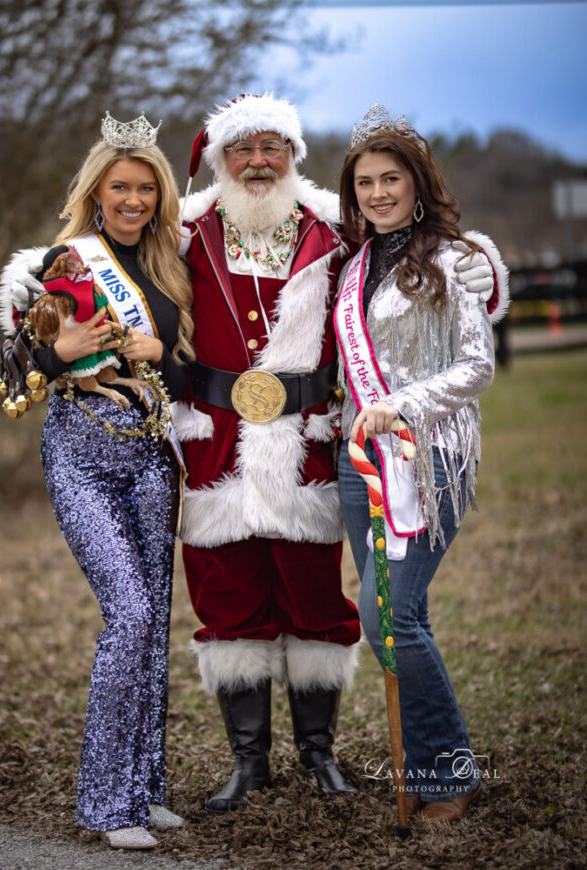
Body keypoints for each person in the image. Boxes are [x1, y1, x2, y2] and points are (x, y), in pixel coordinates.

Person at [172, 93, 505, 815]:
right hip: (219, 447)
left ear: (295, 157)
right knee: (229, 597)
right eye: (242, 149)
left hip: (317, 448)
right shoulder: (183, 231)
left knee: (325, 601)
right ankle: (248, 763)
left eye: (273, 148)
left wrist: (487, 272)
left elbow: (440, 279)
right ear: (218, 159)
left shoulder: (331, 230)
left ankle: (322, 757)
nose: (258, 162)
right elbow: (106, 261)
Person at [0, 111, 194, 849]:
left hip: (149, 455)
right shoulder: (57, 265)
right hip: (81, 454)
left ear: (159, 195)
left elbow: (184, 374)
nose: (133, 200)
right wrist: (59, 352)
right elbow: (11, 375)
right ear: (98, 191)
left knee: (154, 628)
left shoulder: (171, 266)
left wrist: (157, 350)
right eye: (121, 187)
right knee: (130, 615)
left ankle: (145, 787)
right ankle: (107, 805)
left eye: (146, 188)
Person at [334, 104, 507, 823]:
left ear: (417, 183)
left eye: (391, 179)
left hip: (429, 459)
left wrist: (402, 405)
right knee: (403, 616)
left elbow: (477, 366)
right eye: (365, 182)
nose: (378, 193)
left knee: (390, 618)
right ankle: (430, 768)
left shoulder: (450, 257)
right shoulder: (350, 266)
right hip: (358, 463)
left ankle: (448, 776)